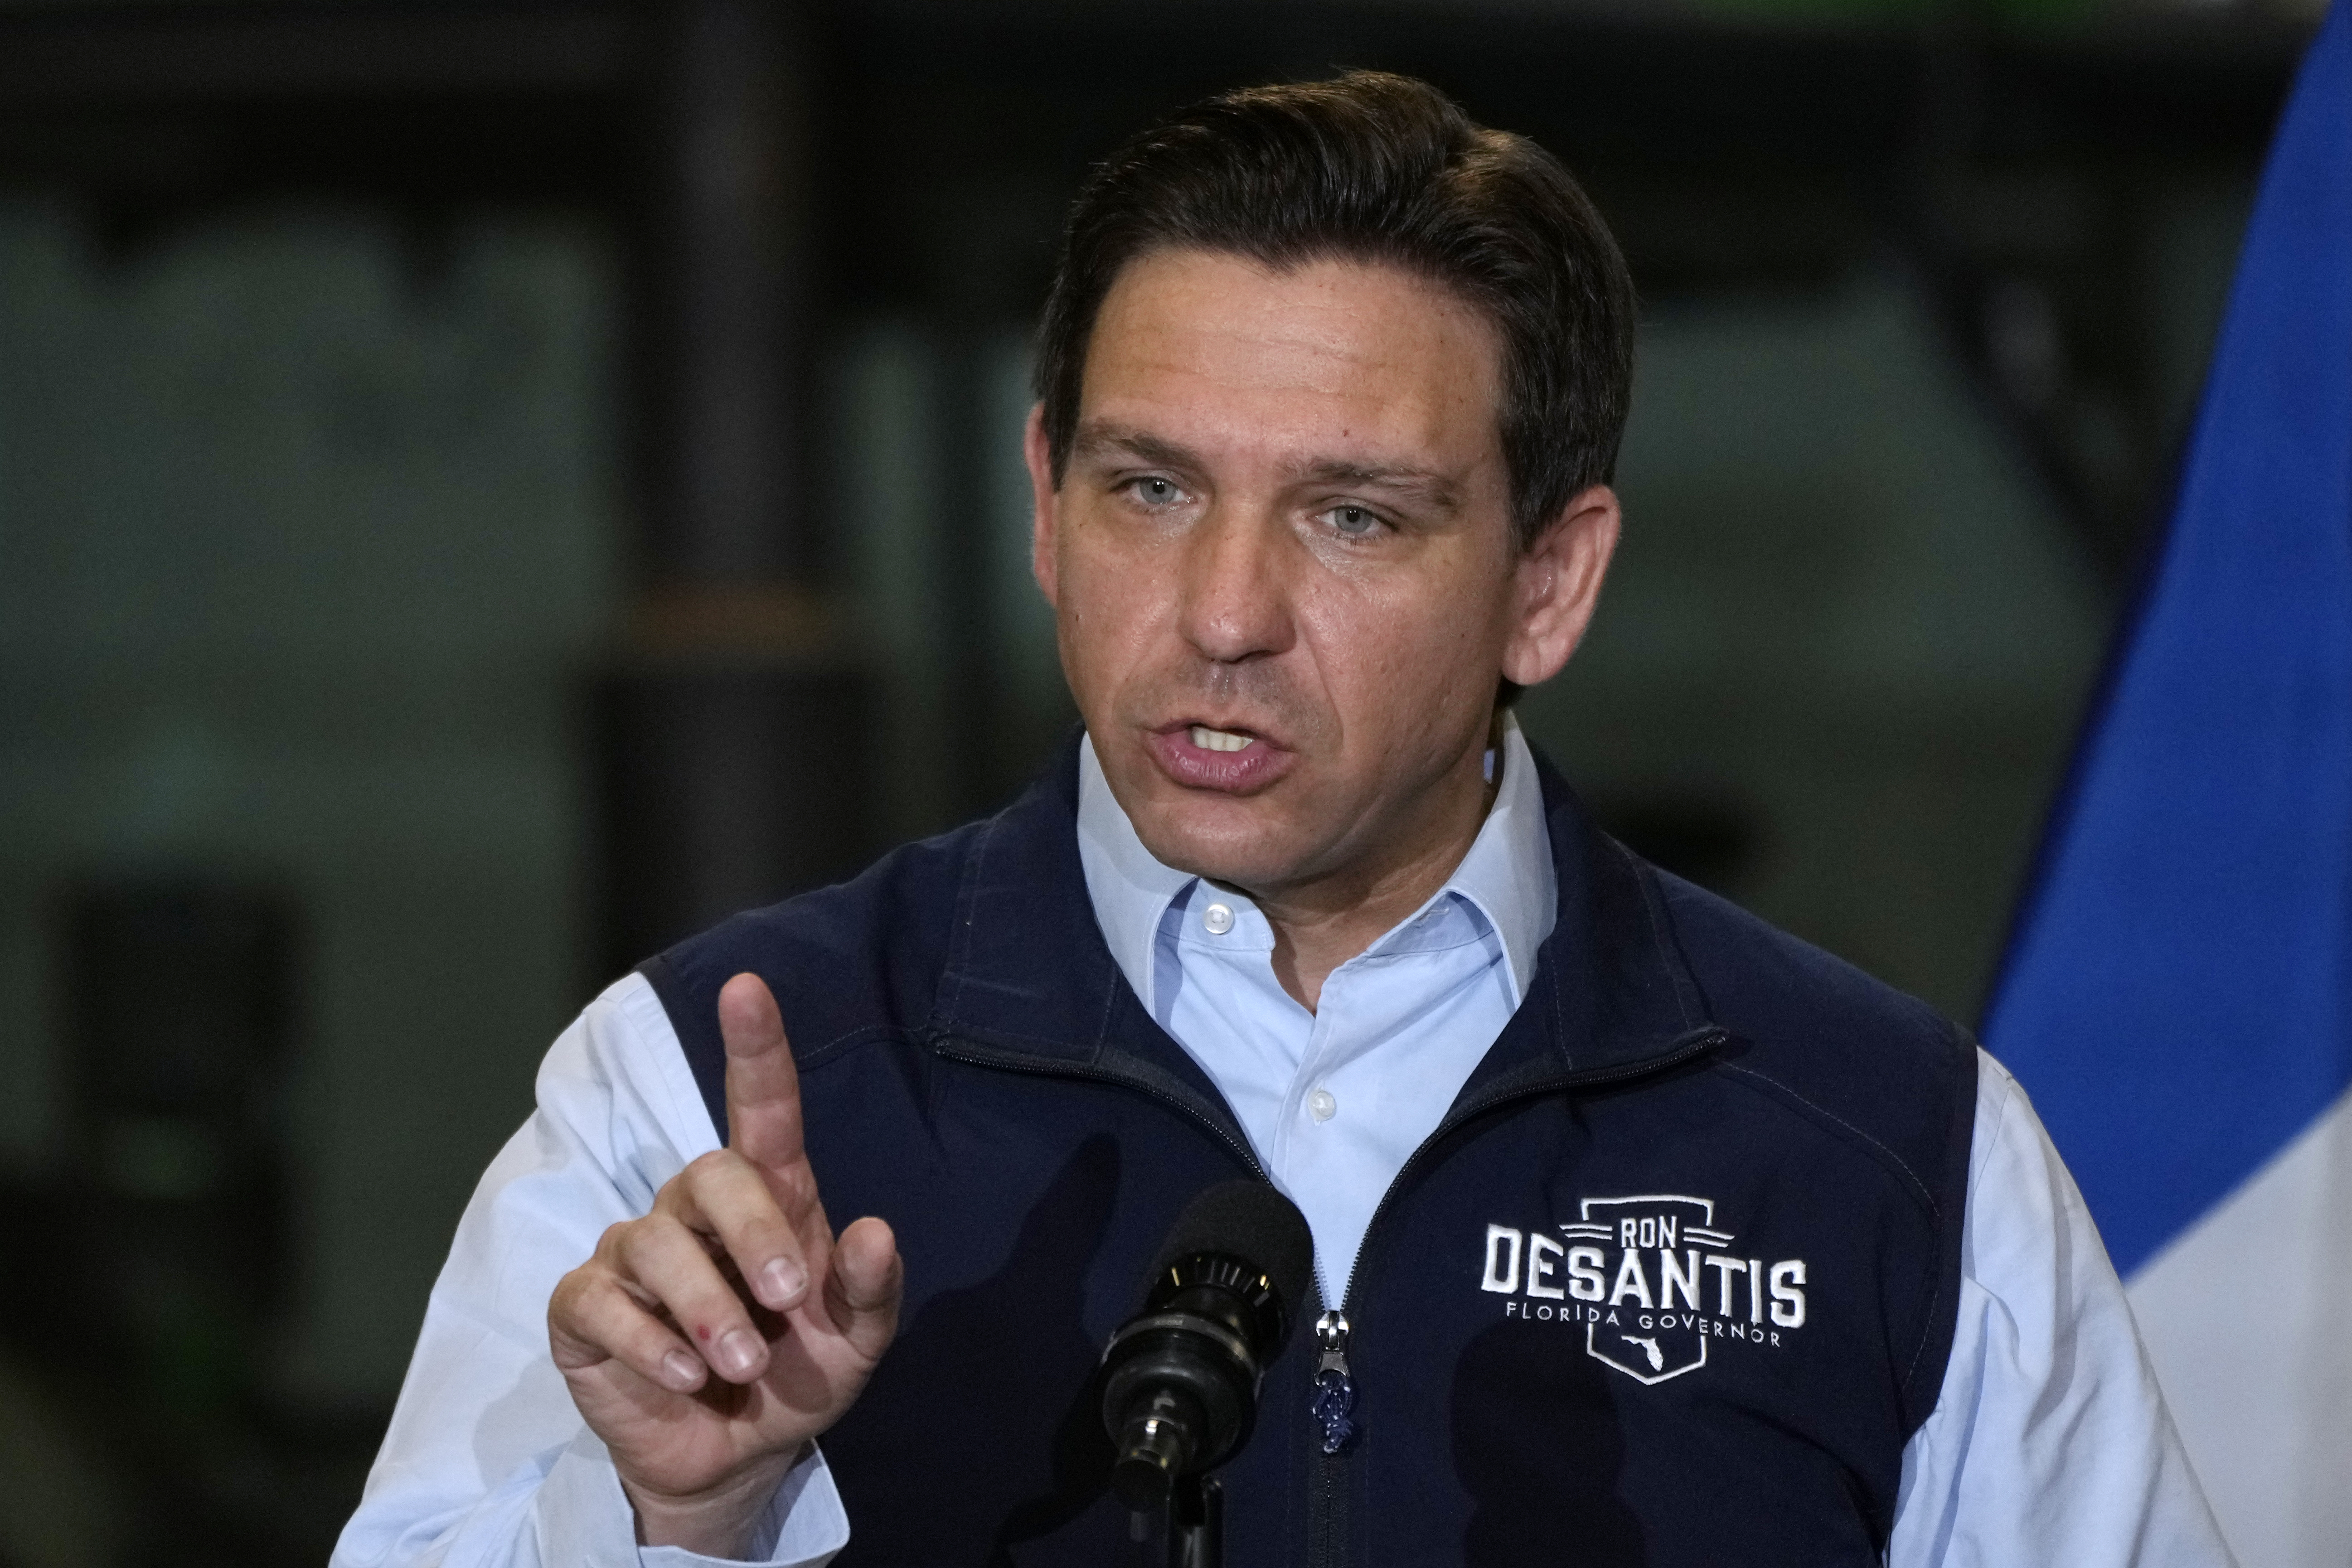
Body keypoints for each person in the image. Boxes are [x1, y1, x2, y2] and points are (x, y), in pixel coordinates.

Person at [333, 72, 2232, 1568]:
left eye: (1352, 516)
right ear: (1039, 503)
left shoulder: (1888, 1151)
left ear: (1547, 585)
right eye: (1147, 488)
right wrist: (684, 1523)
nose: (1223, 613)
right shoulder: (696, 1104)